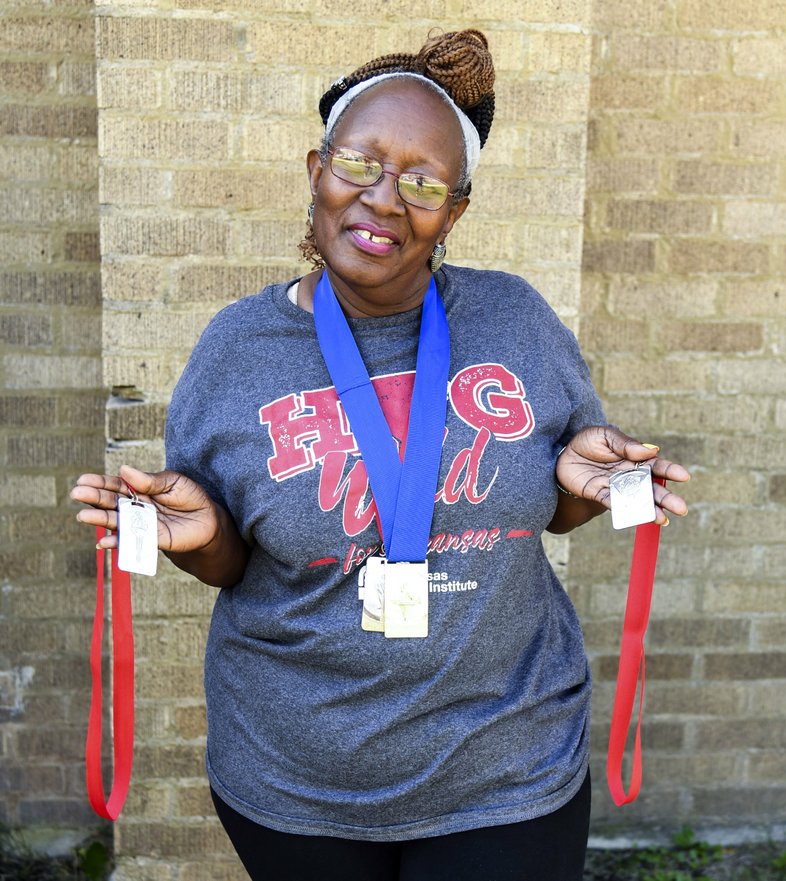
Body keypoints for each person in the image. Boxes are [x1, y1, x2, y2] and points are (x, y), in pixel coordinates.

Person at [71, 29, 690, 881]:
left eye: (425, 182)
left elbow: (551, 502)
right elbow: (235, 562)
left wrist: (587, 487)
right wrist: (205, 531)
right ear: (317, 168)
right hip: (297, 781)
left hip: (504, 767)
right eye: (360, 165)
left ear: (456, 211)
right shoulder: (237, 349)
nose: (386, 199)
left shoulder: (517, 324)